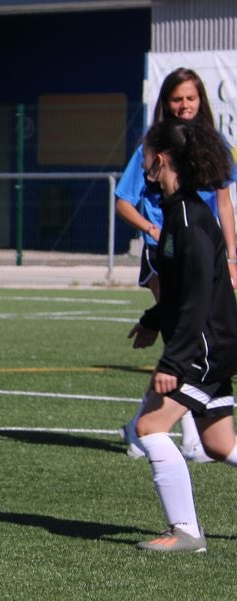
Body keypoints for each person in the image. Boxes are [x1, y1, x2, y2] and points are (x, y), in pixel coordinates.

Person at [117, 67, 237, 462]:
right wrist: (152, 229)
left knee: (185, 346)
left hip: (198, 251)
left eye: (190, 97)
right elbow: (123, 201)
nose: (185, 105)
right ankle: (175, 428)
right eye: (177, 98)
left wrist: (231, 257)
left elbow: (224, 204)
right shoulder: (155, 150)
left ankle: (158, 427)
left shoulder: (191, 215)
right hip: (167, 249)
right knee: (181, 337)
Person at [128, 117, 237, 552]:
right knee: (219, 444)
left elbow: (196, 298)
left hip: (203, 349)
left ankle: (186, 532)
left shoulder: (189, 219)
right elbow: (178, 290)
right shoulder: (179, 213)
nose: (142, 164)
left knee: (149, 426)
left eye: (144, 156)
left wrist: (173, 361)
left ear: (159, 159)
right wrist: (153, 319)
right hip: (212, 345)